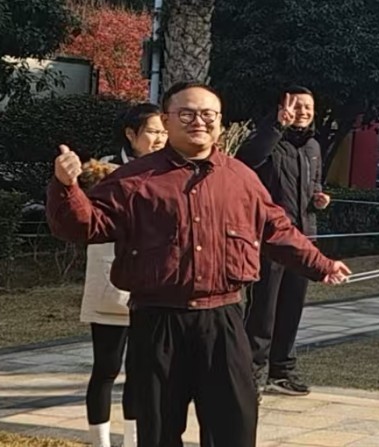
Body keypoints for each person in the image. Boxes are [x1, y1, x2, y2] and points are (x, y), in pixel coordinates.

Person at [47, 82, 352, 447]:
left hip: (223, 320)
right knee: (159, 433)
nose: (199, 122)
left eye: (208, 114)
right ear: (166, 121)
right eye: (187, 114)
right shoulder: (133, 179)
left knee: (234, 428)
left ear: (220, 122)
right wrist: (65, 187)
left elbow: (277, 230)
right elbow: (85, 226)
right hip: (157, 321)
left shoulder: (240, 177)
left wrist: (321, 264)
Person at [78, 103, 166, 447]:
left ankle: (133, 440)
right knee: (106, 367)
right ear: (131, 134)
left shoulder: (169, 170)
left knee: (142, 371)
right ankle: (100, 442)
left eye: (164, 132)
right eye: (153, 131)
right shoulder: (104, 173)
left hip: (153, 285)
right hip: (111, 281)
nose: (160, 139)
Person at [235, 86, 330, 397]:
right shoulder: (269, 139)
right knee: (263, 309)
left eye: (308, 107)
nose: (303, 112)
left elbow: (314, 184)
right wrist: (277, 126)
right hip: (270, 239)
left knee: (292, 308)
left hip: (303, 239)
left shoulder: (313, 146)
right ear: (281, 107)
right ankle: (251, 373)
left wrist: (319, 198)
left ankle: (282, 371)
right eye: (297, 106)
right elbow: (245, 161)